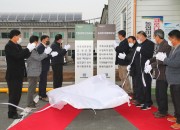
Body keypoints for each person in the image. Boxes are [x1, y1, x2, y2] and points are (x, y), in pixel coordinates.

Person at [5, 29, 35, 119]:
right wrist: (27, 49)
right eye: (19, 36)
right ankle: (11, 113)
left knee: (17, 94)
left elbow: (23, 55)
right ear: (14, 36)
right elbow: (17, 56)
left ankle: (14, 111)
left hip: (18, 74)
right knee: (14, 95)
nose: (20, 38)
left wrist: (29, 50)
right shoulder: (9, 46)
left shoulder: (17, 45)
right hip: (13, 74)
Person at [156, 30, 180, 129]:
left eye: (171, 39)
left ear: (175, 38)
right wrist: (165, 59)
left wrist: (164, 59)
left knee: (178, 101)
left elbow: (176, 64)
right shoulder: (175, 48)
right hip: (172, 80)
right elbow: (170, 61)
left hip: (177, 80)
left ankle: (179, 122)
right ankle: (176, 116)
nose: (170, 41)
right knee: (174, 100)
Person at [144, 29, 171, 118]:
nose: (154, 38)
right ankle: (160, 109)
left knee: (162, 93)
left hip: (163, 73)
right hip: (159, 73)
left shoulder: (166, 45)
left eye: (154, 36)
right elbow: (156, 57)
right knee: (158, 93)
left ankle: (163, 111)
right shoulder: (160, 45)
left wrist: (151, 66)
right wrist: (150, 60)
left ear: (158, 36)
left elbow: (162, 60)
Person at [26, 35, 58, 108]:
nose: (37, 43)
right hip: (33, 71)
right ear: (35, 41)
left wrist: (48, 54)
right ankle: (31, 102)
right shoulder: (32, 49)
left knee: (33, 88)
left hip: (35, 70)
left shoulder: (33, 49)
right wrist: (46, 53)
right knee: (32, 89)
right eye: (36, 42)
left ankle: (32, 102)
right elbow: (39, 58)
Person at [135, 31, 154, 110]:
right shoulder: (140, 44)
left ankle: (148, 102)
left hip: (146, 69)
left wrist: (141, 50)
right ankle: (143, 100)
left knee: (146, 85)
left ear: (142, 36)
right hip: (139, 68)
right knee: (141, 85)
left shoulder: (150, 43)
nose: (137, 38)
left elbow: (149, 54)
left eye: (138, 36)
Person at [114, 30, 132, 94]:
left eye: (118, 35)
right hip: (120, 63)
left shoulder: (125, 42)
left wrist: (116, 47)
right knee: (121, 76)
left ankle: (128, 91)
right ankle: (124, 89)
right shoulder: (122, 42)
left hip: (124, 63)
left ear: (121, 35)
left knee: (125, 77)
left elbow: (121, 50)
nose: (118, 36)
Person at [37, 35, 51, 102]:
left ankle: (40, 95)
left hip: (44, 66)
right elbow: (42, 57)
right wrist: (49, 55)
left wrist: (51, 55)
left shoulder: (45, 47)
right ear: (42, 40)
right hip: (42, 66)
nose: (48, 40)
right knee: (43, 82)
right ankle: (43, 96)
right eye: (47, 39)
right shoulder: (40, 47)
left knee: (42, 81)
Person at [125, 36, 138, 101]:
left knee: (136, 84)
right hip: (133, 68)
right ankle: (135, 97)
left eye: (130, 41)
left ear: (134, 41)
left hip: (136, 68)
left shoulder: (136, 47)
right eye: (128, 42)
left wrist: (125, 57)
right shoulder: (132, 47)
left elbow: (132, 57)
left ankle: (136, 97)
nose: (129, 43)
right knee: (134, 83)